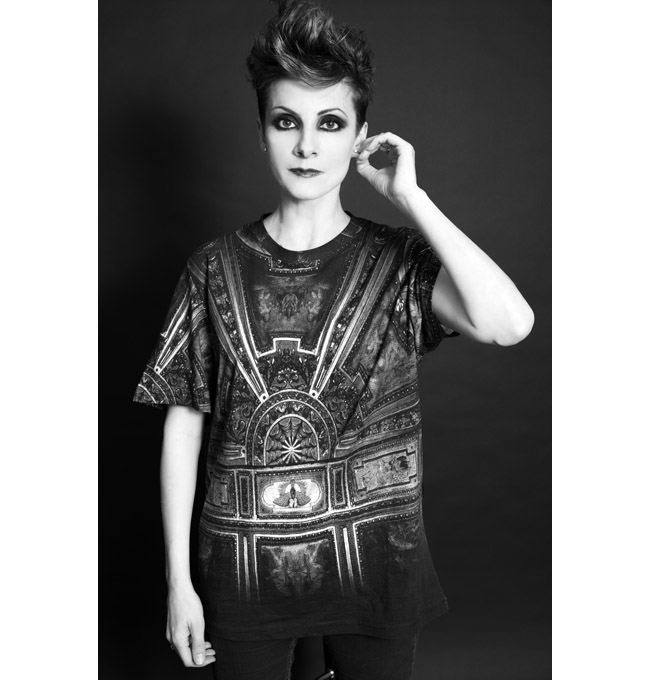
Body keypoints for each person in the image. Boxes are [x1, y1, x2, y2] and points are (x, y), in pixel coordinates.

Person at [133, 1, 535, 678]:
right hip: (243, 574)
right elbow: (184, 423)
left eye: (330, 123)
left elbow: (510, 324)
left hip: (377, 569)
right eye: (286, 121)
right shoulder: (212, 269)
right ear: (262, 133)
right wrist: (180, 583)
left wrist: (411, 198)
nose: (307, 147)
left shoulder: (400, 262)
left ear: (359, 138)